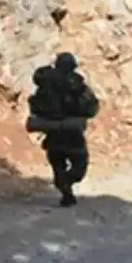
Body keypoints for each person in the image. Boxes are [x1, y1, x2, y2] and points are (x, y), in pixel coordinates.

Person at [29, 52, 99, 206]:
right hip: (72, 132)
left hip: (52, 132)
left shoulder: (45, 82)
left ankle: (65, 190)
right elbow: (91, 108)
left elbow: (36, 105)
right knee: (80, 164)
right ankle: (67, 183)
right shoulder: (76, 82)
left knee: (57, 163)